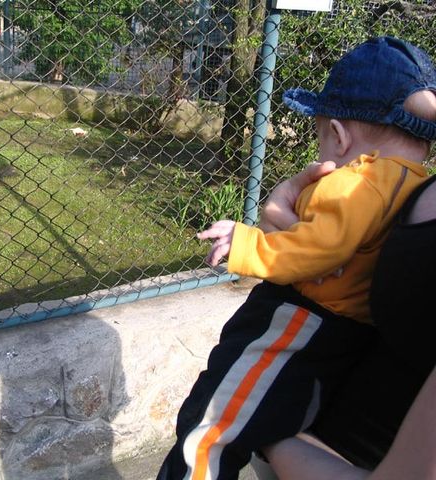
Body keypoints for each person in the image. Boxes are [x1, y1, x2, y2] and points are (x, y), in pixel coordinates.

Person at [156, 36, 436, 480]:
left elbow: (317, 249)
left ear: (339, 135)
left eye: (321, 138)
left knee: (210, 430)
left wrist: (247, 242)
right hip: (345, 339)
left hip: (295, 322)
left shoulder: (356, 180)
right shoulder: (416, 187)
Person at [257, 157, 436, 479]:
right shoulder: (413, 183)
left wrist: (263, 427)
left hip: (307, 453)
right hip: (299, 430)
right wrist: (302, 221)